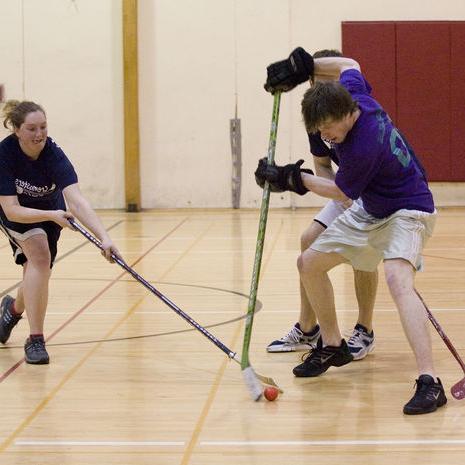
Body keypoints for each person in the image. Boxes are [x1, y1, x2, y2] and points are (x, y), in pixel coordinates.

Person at [256, 49, 446, 415]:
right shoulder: (352, 95)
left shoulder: (364, 140)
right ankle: (332, 344)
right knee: (308, 262)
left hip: (408, 210)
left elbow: (342, 191)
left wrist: (292, 179)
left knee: (396, 278)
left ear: (345, 116)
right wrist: (305, 67)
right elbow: (351, 65)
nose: (326, 137)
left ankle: (429, 380)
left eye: (328, 129)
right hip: (373, 209)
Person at [264, 49, 378, 361]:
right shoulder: (316, 117)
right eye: (313, 81)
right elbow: (322, 165)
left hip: (375, 194)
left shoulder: (355, 107)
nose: (316, 87)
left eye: (321, 79)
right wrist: (338, 191)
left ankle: (364, 330)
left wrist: (344, 190)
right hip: (348, 191)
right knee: (308, 241)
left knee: (363, 256)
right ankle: (308, 327)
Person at [0, 100, 121, 364]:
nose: (39, 134)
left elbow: (76, 200)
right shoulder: (5, 154)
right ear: (16, 130)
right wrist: (50, 216)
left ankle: (11, 309)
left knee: (39, 271)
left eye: (43, 127)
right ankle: (35, 340)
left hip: (50, 212)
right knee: (40, 258)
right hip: (19, 214)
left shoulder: (53, 154)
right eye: (31, 129)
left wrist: (105, 237)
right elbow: (11, 209)